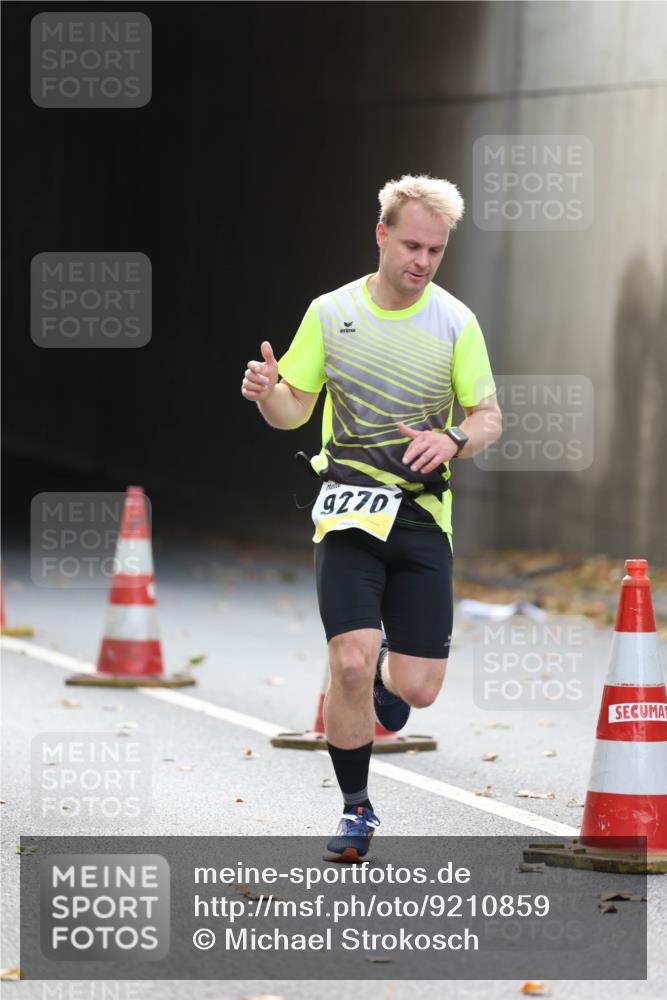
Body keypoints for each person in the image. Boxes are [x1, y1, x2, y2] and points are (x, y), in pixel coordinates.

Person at [241, 174, 502, 861]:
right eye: (411, 244)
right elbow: (292, 408)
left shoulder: (455, 323)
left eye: (435, 251)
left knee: (414, 687)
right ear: (381, 234)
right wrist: (269, 395)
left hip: (420, 520)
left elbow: (487, 417)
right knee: (348, 663)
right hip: (348, 516)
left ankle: (389, 667)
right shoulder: (330, 314)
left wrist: (452, 439)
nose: (421, 261)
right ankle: (356, 811)